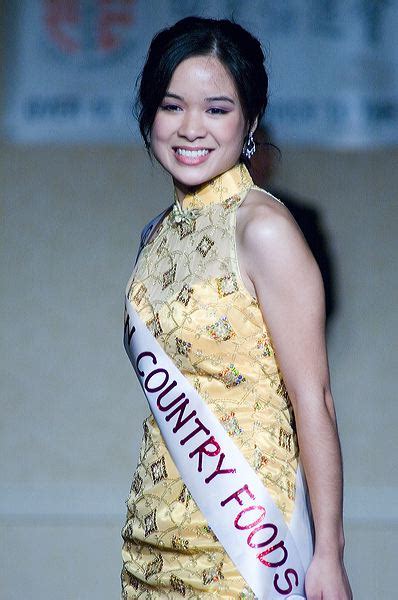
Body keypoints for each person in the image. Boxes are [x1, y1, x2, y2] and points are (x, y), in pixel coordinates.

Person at [121, 16, 352, 600]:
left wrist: (327, 555)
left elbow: (314, 399)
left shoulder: (264, 229)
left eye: (217, 109)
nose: (191, 128)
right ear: (148, 114)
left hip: (247, 542)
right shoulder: (157, 236)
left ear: (249, 121)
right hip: (153, 534)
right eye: (172, 106)